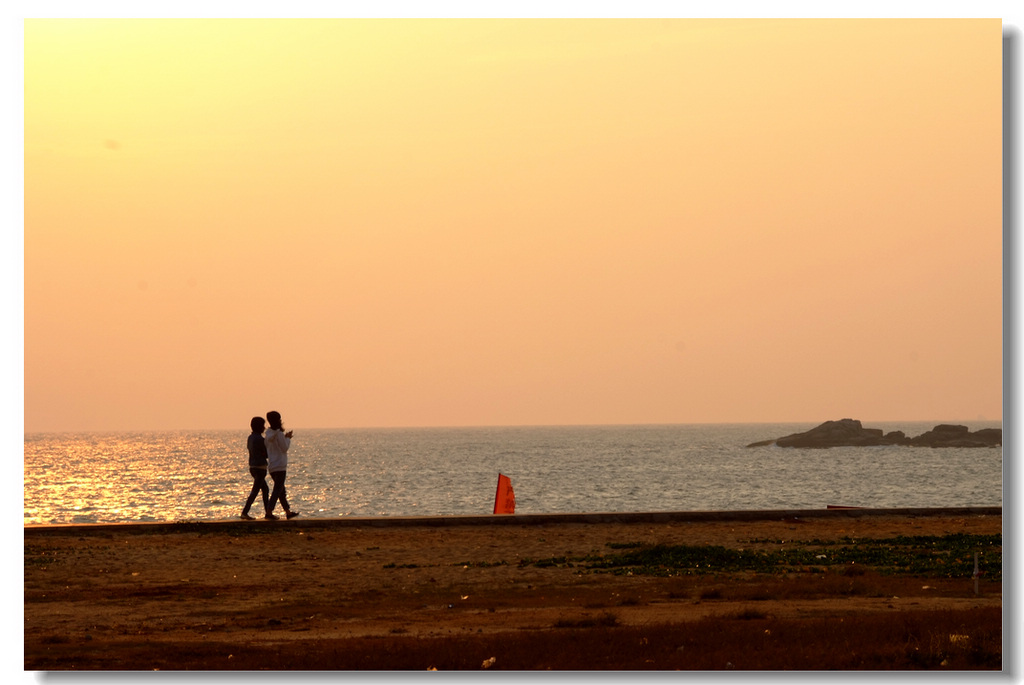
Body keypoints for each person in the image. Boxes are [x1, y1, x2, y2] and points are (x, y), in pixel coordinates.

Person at [265, 410, 299, 519]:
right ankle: (269, 512)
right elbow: (284, 448)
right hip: (280, 465)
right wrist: (287, 438)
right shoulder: (278, 433)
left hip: (272, 465)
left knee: (281, 490)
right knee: (278, 490)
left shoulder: (268, 434)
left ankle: (288, 512)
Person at [241, 416, 273, 520]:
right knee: (255, 490)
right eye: (263, 426)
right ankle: (245, 512)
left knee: (265, 489)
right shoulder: (260, 439)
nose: (264, 428)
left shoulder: (250, 438)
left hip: (253, 466)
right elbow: (267, 454)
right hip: (260, 467)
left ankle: (267, 512)